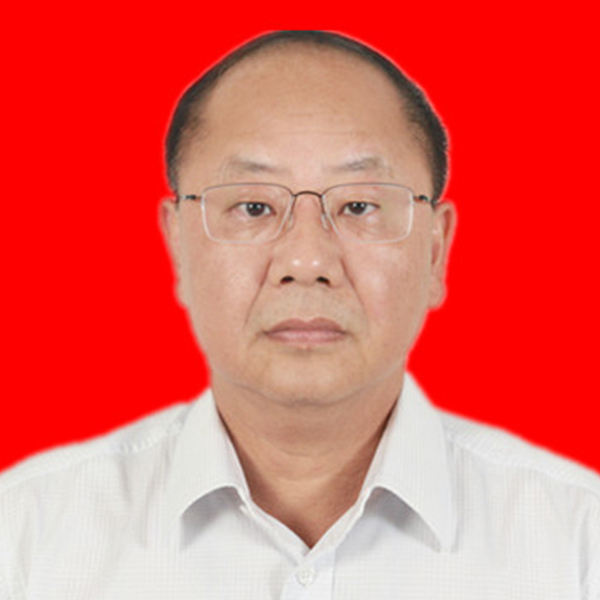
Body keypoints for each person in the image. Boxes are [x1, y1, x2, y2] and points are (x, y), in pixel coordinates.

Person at [1, 30, 598, 600]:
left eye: (359, 205)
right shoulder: (28, 536)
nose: (307, 261)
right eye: (253, 206)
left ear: (436, 251)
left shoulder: (576, 543)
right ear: (178, 245)